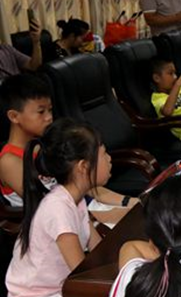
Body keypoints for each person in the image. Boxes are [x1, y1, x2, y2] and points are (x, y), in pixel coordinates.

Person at [5, 118, 116, 297]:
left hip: (63, 288)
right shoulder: (58, 209)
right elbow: (79, 279)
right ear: (83, 167)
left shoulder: (74, 199)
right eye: (104, 153)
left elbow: (101, 252)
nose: (109, 158)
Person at [0, 74, 138, 224]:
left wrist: (128, 201)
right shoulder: (9, 161)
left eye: (50, 110)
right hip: (63, 224)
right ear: (14, 116)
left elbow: (84, 183)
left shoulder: (46, 145)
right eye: (41, 112)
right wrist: (108, 215)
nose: (49, 117)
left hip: (87, 210)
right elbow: (49, 208)